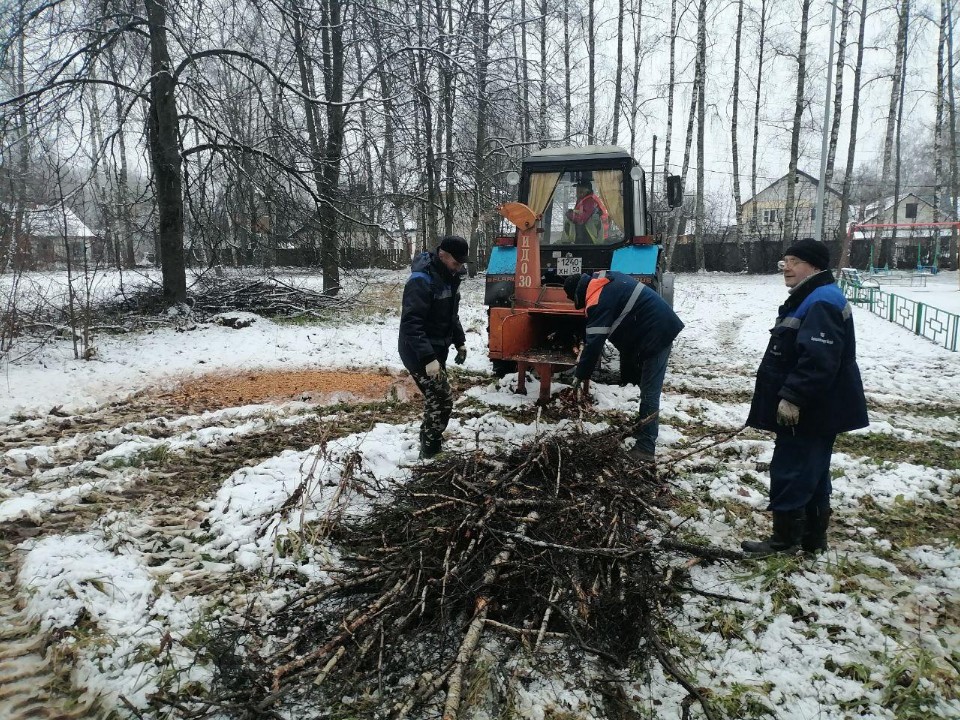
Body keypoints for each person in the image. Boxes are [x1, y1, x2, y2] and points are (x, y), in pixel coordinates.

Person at [742, 238, 868, 556]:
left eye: (795, 261)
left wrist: (794, 397)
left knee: (791, 469)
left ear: (813, 266)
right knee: (813, 471)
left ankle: (784, 542)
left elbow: (819, 358)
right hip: (820, 408)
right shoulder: (814, 297)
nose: (787, 267)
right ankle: (813, 540)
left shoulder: (820, 301)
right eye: (784, 260)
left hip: (810, 409)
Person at [563, 271, 684, 463]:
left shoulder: (597, 300)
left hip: (657, 333)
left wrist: (580, 374)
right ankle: (643, 426)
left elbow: (594, 343)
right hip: (656, 327)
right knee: (646, 388)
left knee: (650, 392)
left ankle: (645, 448)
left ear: (579, 295)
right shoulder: (603, 279)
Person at [399, 235, 469, 459]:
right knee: (441, 398)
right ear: (442, 255)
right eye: (455, 263)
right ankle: (430, 451)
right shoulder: (421, 280)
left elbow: (451, 314)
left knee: (436, 398)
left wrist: (460, 342)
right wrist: (428, 358)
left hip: (437, 349)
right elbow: (411, 323)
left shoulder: (448, 276)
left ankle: (428, 443)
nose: (458, 268)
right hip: (417, 350)